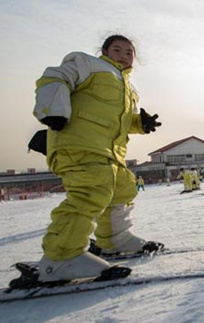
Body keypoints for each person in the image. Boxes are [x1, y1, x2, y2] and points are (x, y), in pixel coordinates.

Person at [29, 35, 163, 284]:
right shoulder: (87, 64)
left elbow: (120, 120)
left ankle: (114, 239)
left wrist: (140, 123)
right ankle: (61, 258)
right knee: (90, 192)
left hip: (111, 152)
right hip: (79, 143)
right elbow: (53, 77)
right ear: (104, 50)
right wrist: (54, 110)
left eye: (129, 52)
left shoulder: (130, 89)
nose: (124, 55)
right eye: (118, 49)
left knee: (123, 188)